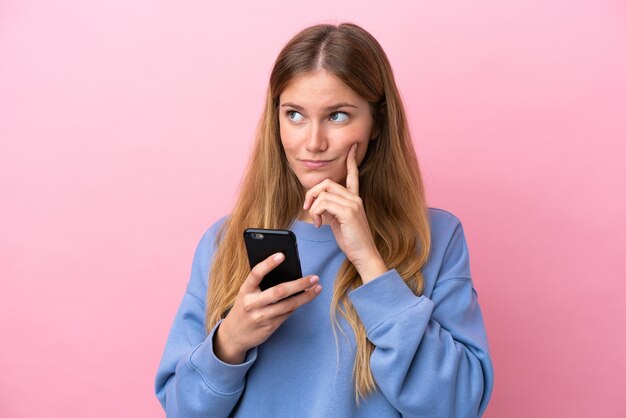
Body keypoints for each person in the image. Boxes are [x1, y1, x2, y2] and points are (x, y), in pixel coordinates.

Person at [155, 22, 494, 417]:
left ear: (377, 123)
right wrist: (229, 342)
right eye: (295, 114)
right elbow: (181, 410)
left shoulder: (436, 238)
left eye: (337, 116)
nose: (313, 142)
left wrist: (370, 262)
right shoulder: (224, 241)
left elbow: (457, 405)